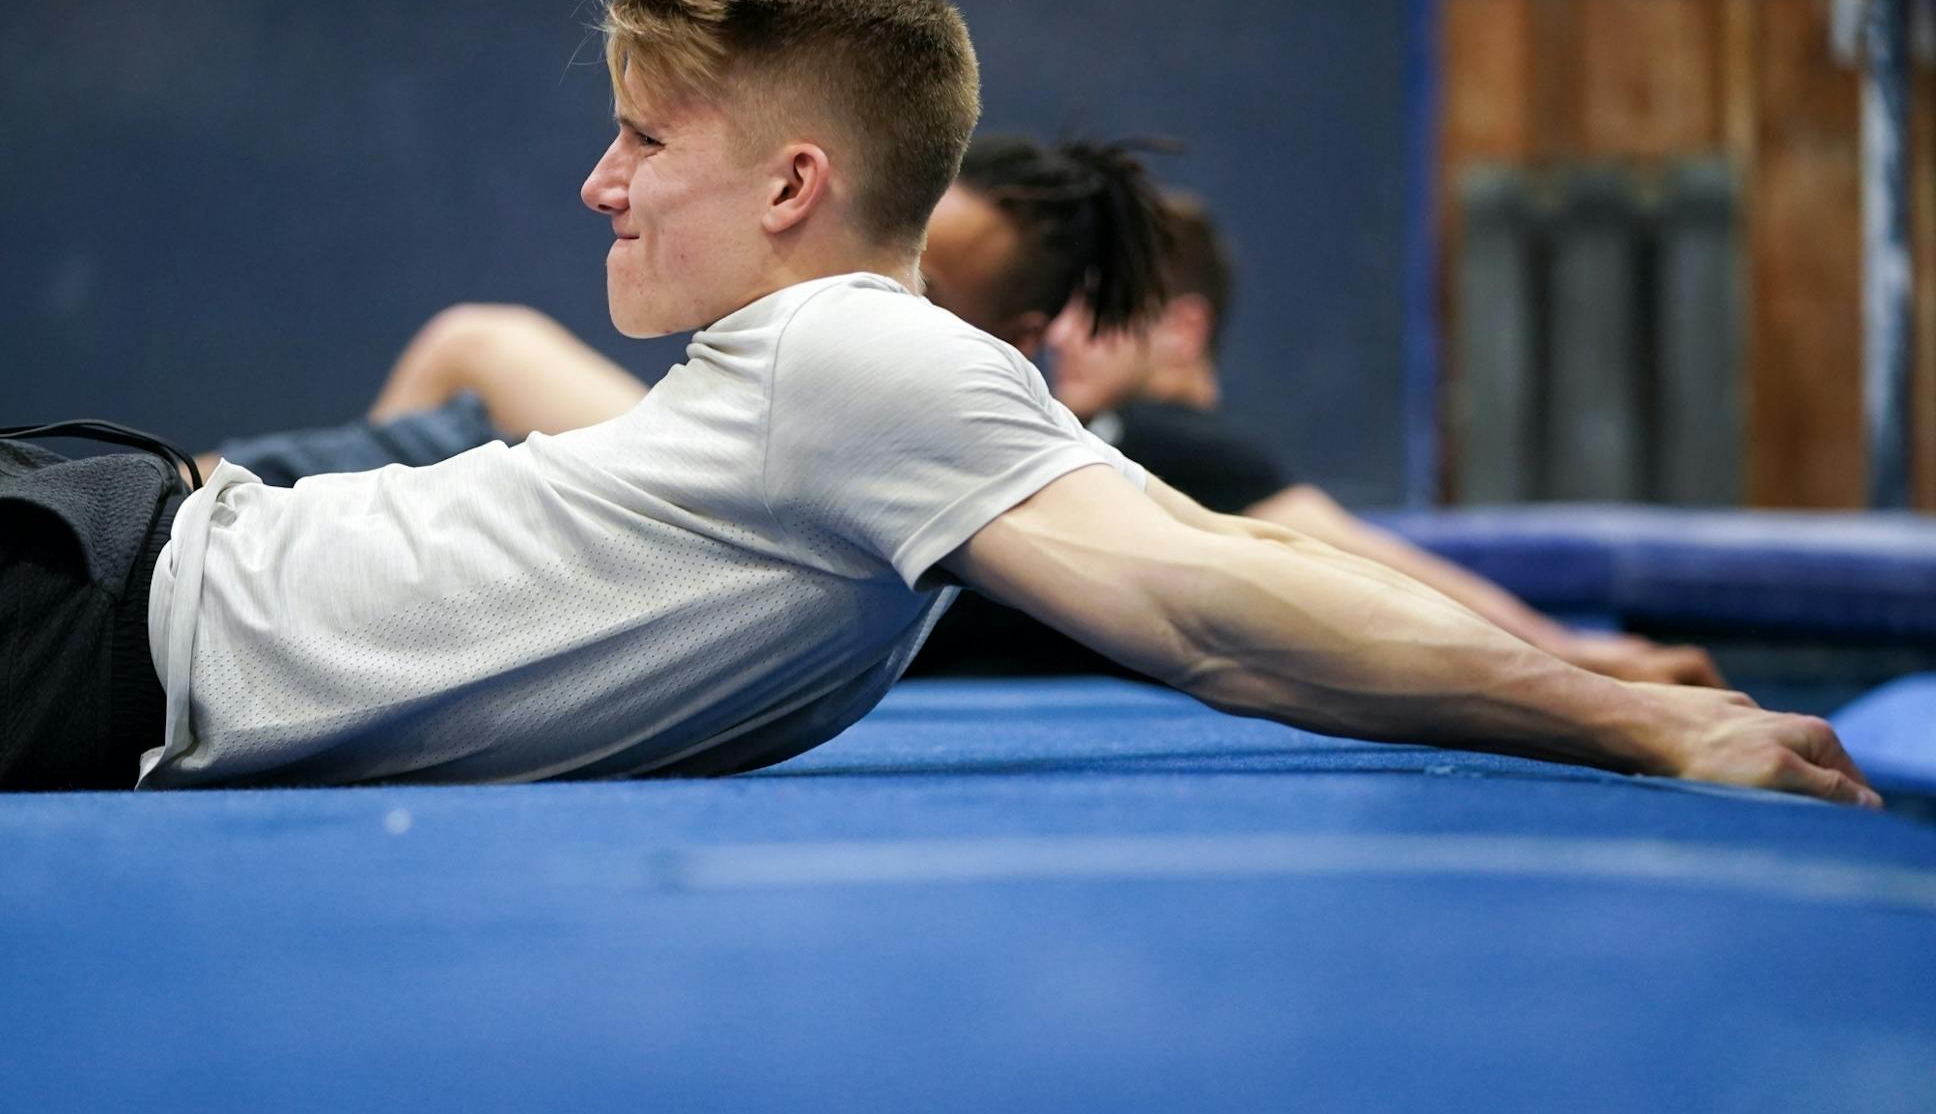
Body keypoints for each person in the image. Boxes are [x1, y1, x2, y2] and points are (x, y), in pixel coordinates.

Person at [0, 0, 1875, 807]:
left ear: (794, 186)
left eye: (643, 139)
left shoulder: (855, 370)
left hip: (40, 620)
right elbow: (1234, 583)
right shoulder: (857, 380)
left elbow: (1229, 610)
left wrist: (1642, 728)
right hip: (42, 588)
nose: (599, 185)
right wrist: (1628, 709)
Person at [222, 135, 1721, 691]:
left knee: (470, 350)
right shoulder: (864, 375)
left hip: (730, 519)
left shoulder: (1123, 452)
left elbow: (1321, 559)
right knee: (453, 362)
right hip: (659, 501)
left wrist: (1579, 658)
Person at [913, 187, 1724, 689]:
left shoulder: (1159, 438)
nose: (1065, 336)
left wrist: (1575, 656)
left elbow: (1342, 553)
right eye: (1062, 310)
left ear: (1181, 331)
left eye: (1099, 311)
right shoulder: (1107, 442)